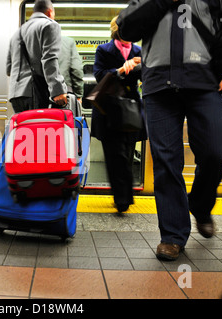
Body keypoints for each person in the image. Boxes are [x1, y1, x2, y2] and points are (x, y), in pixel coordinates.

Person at [117, 0, 222, 260]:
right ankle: (172, 235)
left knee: (216, 151)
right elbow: (126, 27)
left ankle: (201, 205)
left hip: (205, 80)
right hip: (159, 83)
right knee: (166, 161)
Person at [91, 16, 142, 213]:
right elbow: (98, 74)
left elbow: (147, 73)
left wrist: (140, 63)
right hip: (109, 109)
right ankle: (122, 198)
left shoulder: (139, 51)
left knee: (127, 153)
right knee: (114, 155)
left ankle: (124, 195)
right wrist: (121, 68)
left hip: (130, 109)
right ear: (117, 30)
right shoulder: (103, 50)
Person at [6, 0, 67, 113]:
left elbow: (9, 69)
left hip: (16, 94)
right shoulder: (50, 25)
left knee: (24, 130)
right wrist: (58, 90)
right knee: (38, 129)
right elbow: (49, 59)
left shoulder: (17, 33)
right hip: (34, 92)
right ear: (50, 12)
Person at [59, 36, 84, 101]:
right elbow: (76, 69)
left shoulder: (33, 40)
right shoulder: (68, 42)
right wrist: (78, 94)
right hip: (64, 93)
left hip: (38, 93)